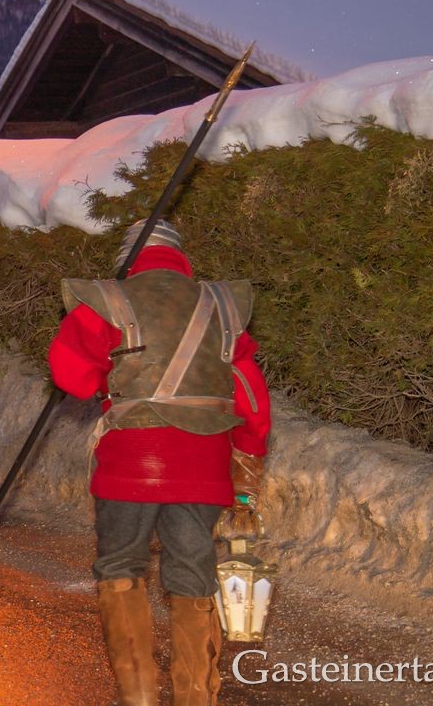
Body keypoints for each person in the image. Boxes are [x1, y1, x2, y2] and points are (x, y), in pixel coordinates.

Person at [49, 219, 271, 706]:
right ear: (180, 257)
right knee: (192, 571)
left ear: (127, 259)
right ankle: (195, 696)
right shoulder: (220, 305)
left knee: (121, 566)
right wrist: (248, 457)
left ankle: (140, 696)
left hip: (130, 462)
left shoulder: (108, 301)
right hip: (203, 463)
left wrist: (106, 378)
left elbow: (72, 375)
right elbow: (251, 394)